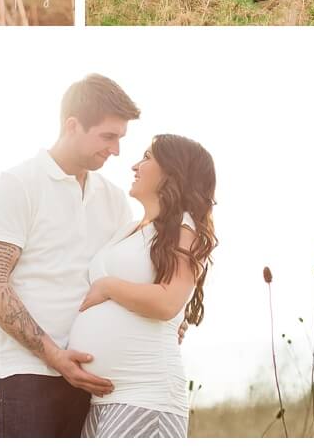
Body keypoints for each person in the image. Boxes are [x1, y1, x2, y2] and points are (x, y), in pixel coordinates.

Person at [0, 74, 141, 438]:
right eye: (107, 137)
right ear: (72, 125)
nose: (115, 150)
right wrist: (55, 357)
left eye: (120, 139)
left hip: (96, 382)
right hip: (28, 379)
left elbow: (128, 279)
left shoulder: (115, 200)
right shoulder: (18, 184)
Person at [70, 135, 217, 438]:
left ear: (173, 171)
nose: (135, 165)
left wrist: (109, 286)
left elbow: (168, 302)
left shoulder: (184, 227)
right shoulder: (129, 229)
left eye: (147, 157)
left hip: (147, 397)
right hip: (105, 401)